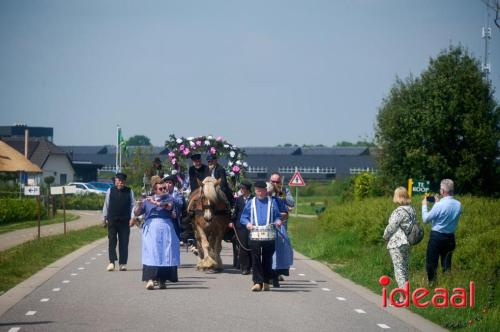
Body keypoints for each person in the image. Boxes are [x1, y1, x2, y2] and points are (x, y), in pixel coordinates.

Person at [134, 176, 180, 290]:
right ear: (155, 190)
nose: (164, 190)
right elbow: (136, 213)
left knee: (164, 253)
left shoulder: (169, 198)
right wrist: (139, 204)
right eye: (161, 189)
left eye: (165, 188)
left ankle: (162, 280)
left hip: (165, 226)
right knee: (151, 252)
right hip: (151, 228)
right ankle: (150, 279)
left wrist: (155, 202)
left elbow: (168, 207)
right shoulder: (147, 200)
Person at [239, 181, 283, 292]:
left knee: (268, 259)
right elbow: (243, 217)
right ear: (255, 191)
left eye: (262, 190)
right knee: (256, 258)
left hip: (269, 235)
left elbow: (278, 216)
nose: (259, 192)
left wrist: (278, 221)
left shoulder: (272, 202)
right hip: (255, 235)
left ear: (265, 191)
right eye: (257, 190)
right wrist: (247, 223)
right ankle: (257, 283)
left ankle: (266, 281)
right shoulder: (251, 202)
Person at [422, 179, 462, 283]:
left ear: (442, 191)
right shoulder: (458, 204)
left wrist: (424, 205)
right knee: (446, 264)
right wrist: (437, 203)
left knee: (431, 263)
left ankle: (432, 284)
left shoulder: (439, 205)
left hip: (437, 237)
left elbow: (426, 219)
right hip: (450, 237)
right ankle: (447, 285)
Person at [383, 187, 416, 301]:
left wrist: (385, 235)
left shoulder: (399, 211)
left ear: (398, 196)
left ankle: (404, 297)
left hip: (397, 243)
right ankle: (405, 295)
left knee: (399, 270)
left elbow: (392, 226)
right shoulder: (411, 209)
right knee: (405, 268)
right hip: (407, 242)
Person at [102, 172, 136, 272]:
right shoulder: (110, 190)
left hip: (125, 221)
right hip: (112, 220)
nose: (120, 183)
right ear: (115, 181)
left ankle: (122, 263)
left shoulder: (129, 191)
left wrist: (133, 218)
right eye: (118, 181)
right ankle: (111, 262)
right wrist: (104, 218)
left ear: (125, 182)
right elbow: (106, 204)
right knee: (112, 241)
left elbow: (133, 206)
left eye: (122, 181)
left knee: (124, 242)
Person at [267, 182, 293, 288]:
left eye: (269, 192)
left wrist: (279, 216)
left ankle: (275, 277)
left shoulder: (277, 200)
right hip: (262, 231)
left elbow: (286, 213)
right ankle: (264, 277)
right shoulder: (257, 201)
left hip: (276, 229)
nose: (267, 194)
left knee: (276, 255)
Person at [228, 180, 254, 274]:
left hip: (251, 225)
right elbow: (235, 212)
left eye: (243, 188)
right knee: (242, 246)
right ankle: (245, 267)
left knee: (251, 245)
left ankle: (252, 266)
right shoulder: (238, 199)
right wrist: (231, 221)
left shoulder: (254, 199)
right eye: (241, 188)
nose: (241, 190)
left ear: (247, 189)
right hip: (240, 226)